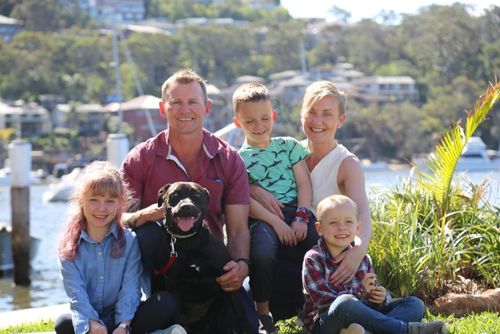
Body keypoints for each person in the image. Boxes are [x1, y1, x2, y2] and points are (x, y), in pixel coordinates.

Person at [121, 69, 258, 333]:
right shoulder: (140, 159)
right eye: (176, 102)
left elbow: (239, 228)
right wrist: (144, 215)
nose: (185, 109)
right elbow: (118, 220)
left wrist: (240, 265)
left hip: (210, 266)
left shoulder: (228, 159)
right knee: (146, 233)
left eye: (193, 102)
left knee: (244, 323)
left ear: (206, 107)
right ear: (163, 108)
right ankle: (138, 306)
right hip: (164, 270)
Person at [250, 81, 372, 319]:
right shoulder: (287, 152)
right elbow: (250, 173)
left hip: (322, 255)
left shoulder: (347, 163)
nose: (317, 121)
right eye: (311, 113)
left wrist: (356, 254)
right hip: (287, 243)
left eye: (327, 114)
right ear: (301, 116)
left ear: (341, 120)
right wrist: (253, 188)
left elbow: (363, 214)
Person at [54, 161, 183, 334]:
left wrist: (124, 325)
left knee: (166, 302)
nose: (102, 208)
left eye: (110, 201)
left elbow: (131, 287)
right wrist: (92, 323)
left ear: (120, 203)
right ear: (81, 201)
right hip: (91, 319)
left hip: (125, 318)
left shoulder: (130, 240)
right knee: (63, 323)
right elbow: (76, 293)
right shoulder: (68, 244)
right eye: (93, 200)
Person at [232, 82, 318, 333]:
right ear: (238, 123)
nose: (259, 126)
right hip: (263, 219)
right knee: (261, 252)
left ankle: (323, 302)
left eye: (264, 118)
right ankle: (263, 312)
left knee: (322, 243)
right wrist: (276, 223)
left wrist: (302, 217)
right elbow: (245, 200)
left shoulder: (289, 146)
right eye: (250, 122)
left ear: (274, 116)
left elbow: (304, 183)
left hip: (296, 209)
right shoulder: (237, 160)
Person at [299, 194, 447, 334]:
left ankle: (361, 332)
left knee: (414, 304)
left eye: (348, 222)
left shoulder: (362, 258)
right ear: (319, 229)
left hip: (362, 320)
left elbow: (373, 303)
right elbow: (325, 303)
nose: (342, 227)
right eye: (333, 223)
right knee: (345, 303)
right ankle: (406, 330)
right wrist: (359, 292)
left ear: (357, 228)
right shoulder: (313, 259)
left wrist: (381, 298)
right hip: (326, 323)